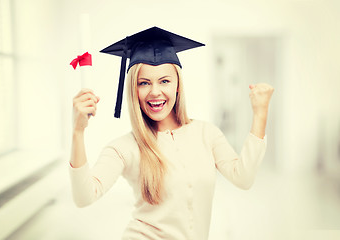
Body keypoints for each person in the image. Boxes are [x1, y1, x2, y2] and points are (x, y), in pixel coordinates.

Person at [69, 27, 274, 240]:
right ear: (134, 90)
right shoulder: (124, 148)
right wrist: (77, 131)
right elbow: (84, 197)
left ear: (177, 85)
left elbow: (244, 177)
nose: (155, 91)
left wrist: (260, 114)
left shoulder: (206, 133)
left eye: (164, 81)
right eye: (144, 83)